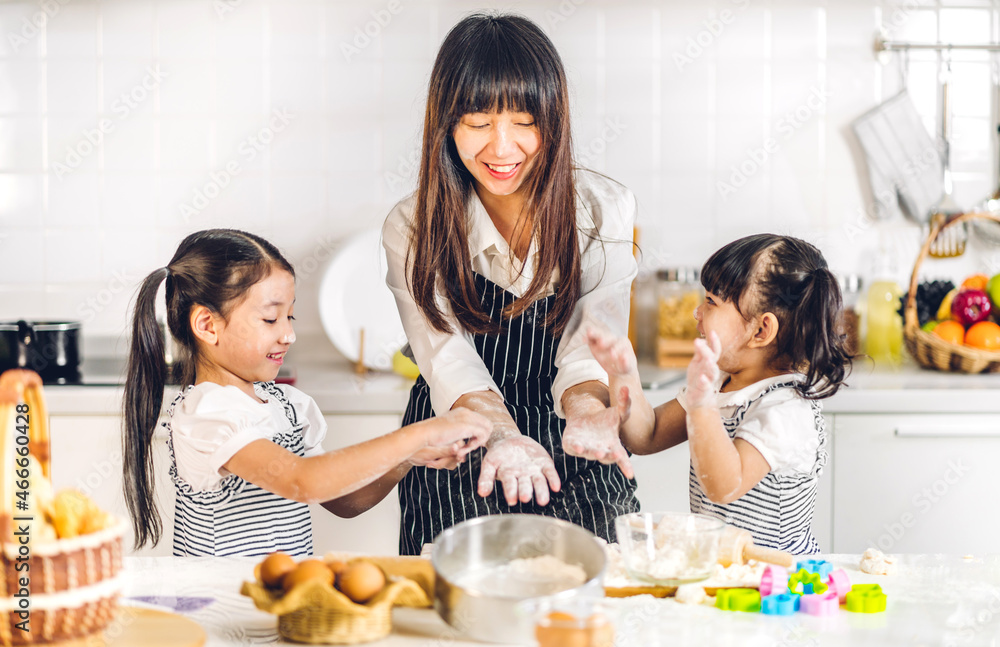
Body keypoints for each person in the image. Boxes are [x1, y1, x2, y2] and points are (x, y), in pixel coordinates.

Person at [377, 13, 639, 555]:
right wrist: (500, 433)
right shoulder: (413, 226)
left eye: (524, 121)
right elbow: (446, 355)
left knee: (597, 579)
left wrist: (589, 414)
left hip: (576, 432)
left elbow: (592, 343)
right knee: (456, 591)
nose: (501, 148)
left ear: (554, 120)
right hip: (459, 432)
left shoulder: (601, 210)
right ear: (446, 123)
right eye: (478, 122)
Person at [122, 229, 490, 557]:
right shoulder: (207, 414)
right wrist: (419, 432)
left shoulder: (287, 406)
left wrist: (407, 457)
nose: (289, 334)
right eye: (270, 319)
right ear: (207, 325)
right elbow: (303, 481)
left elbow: (344, 500)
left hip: (277, 599)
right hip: (224, 602)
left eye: (290, 317)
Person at [586, 234, 853, 554]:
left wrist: (701, 405)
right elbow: (647, 436)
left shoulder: (785, 409)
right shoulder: (720, 383)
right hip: (726, 568)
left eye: (712, 301)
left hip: (775, 575)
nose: (697, 312)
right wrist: (622, 371)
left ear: (760, 331)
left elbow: (724, 486)